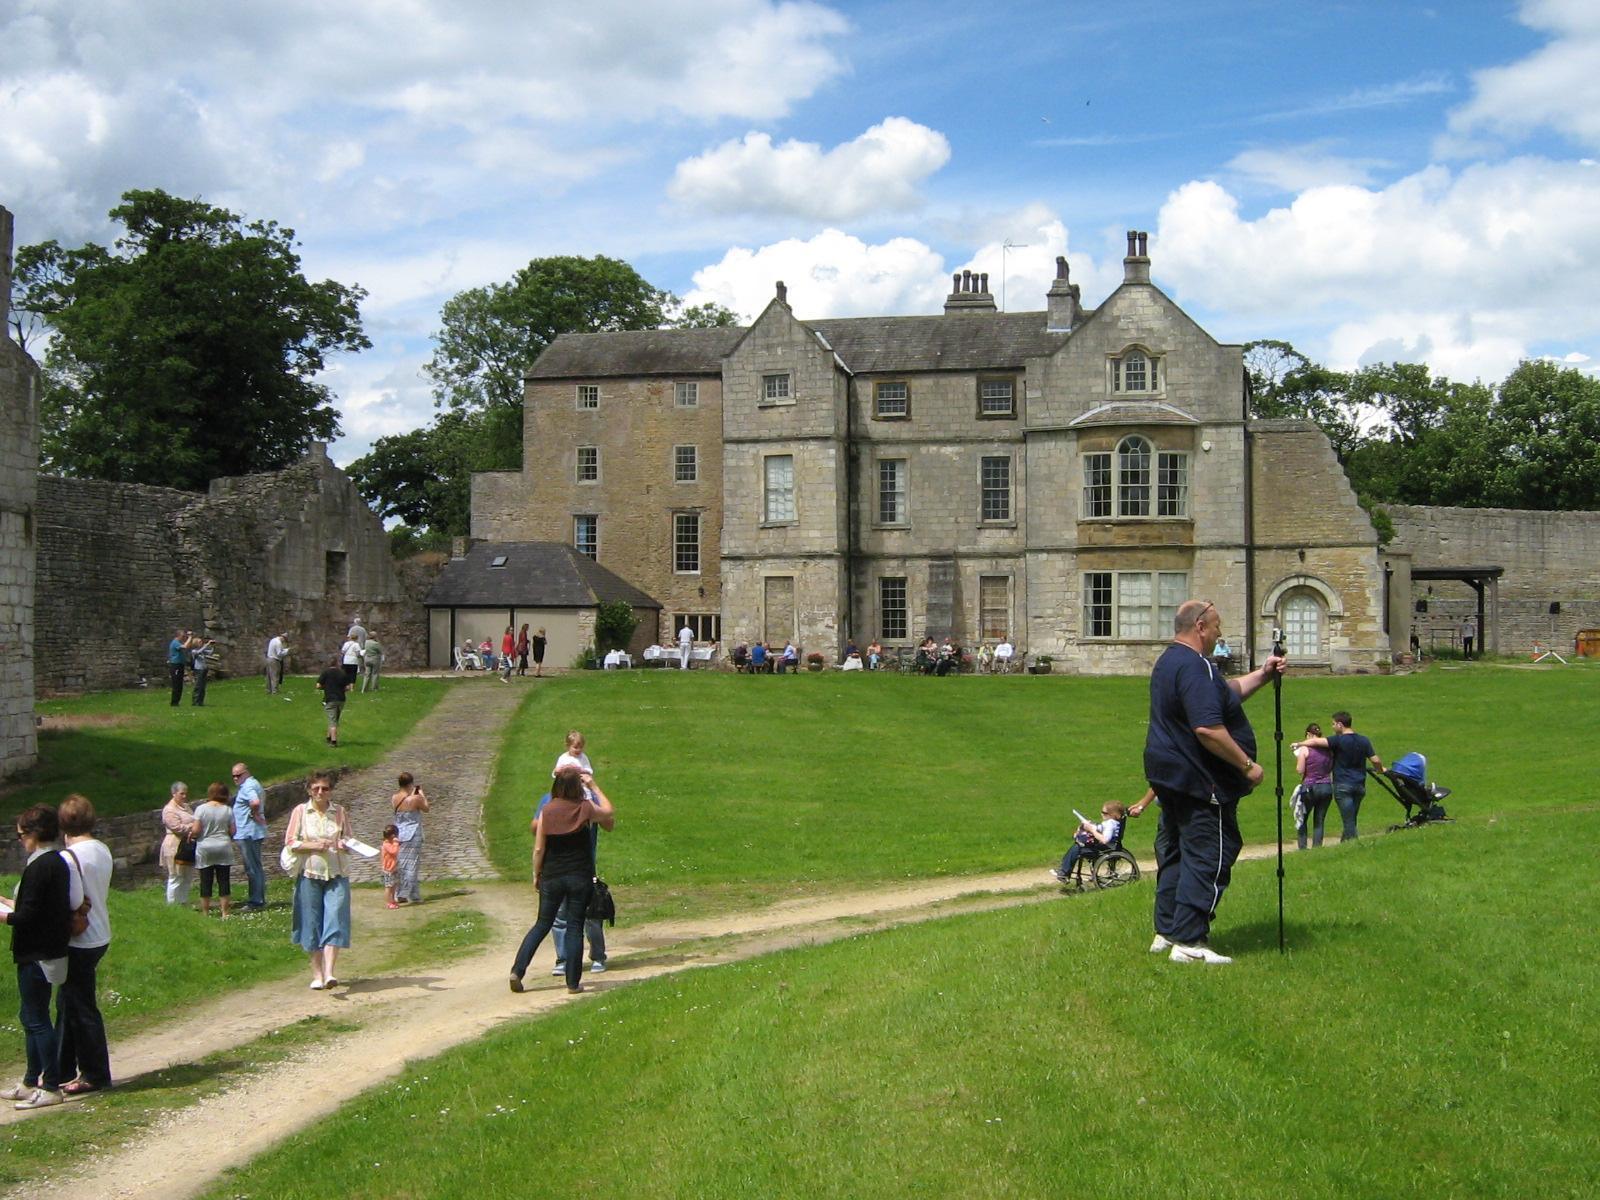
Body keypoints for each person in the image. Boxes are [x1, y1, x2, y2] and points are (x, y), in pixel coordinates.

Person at [1144, 599, 1285, 964]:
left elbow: (1227, 694)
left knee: (1174, 852)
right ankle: (1189, 943)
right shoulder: (1196, 667)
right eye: (1218, 626)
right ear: (1201, 627)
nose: (1221, 633)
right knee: (1209, 853)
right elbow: (1207, 727)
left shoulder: (1170, 663)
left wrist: (1264, 674)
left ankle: (1167, 930)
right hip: (1199, 779)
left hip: (1169, 778)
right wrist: (1246, 765)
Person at [509, 766, 616, 995]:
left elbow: (539, 848)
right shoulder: (584, 807)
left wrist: (536, 874)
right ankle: (573, 982)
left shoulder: (547, 810)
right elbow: (608, 812)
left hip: (552, 875)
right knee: (575, 927)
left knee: (542, 924)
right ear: (577, 786)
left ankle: (518, 970)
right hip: (579, 875)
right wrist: (593, 785)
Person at [0, 804, 78, 1109]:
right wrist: (10, 902)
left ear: (34, 833)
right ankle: (31, 1080)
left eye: (21, 834)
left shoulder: (40, 865)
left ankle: (50, 1085)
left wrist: (5, 916)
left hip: (38, 952)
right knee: (29, 1016)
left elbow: (29, 915)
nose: (20, 840)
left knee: (37, 1019)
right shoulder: (55, 862)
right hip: (47, 949)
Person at [56, 794, 113, 1096]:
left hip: (80, 937)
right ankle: (61, 1067)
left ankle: (95, 1073)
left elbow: (71, 900)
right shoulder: (101, 849)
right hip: (99, 933)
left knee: (81, 1006)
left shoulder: (69, 857)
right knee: (67, 1002)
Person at [283, 773, 354, 990]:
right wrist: (314, 846)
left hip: (336, 874)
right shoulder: (301, 812)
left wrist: (344, 844)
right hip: (310, 874)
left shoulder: (340, 812)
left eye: (325, 788)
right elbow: (290, 842)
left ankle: (330, 973)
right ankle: (317, 974)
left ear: (331, 791)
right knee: (311, 922)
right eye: (316, 789)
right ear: (309, 790)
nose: (320, 792)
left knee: (335, 918)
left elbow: (350, 840)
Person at [1296, 712, 1382, 842]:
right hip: (1359, 785)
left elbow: (1315, 741)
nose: (1332, 727)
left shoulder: (1338, 740)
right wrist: (1379, 770)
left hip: (1343, 786)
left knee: (1349, 821)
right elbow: (1375, 760)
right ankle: (1344, 844)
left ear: (1340, 725)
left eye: (1333, 724)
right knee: (1351, 818)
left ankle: (1354, 845)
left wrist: (1299, 744)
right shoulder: (1364, 740)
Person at [1053, 800, 1128, 886]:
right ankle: (1064, 871)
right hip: (1106, 846)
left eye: (1104, 812)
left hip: (1104, 848)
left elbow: (1105, 840)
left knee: (1077, 848)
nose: (1101, 814)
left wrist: (1092, 830)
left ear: (1113, 815)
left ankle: (1064, 872)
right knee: (1078, 845)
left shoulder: (1111, 824)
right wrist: (1090, 825)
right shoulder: (1110, 823)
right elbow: (1099, 828)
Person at [191, 782, 236, 919]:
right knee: (224, 880)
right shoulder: (228, 810)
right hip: (223, 847)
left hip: (205, 847)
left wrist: (193, 835)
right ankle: (225, 912)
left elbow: (196, 830)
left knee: (205, 880)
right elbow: (233, 831)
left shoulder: (201, 809)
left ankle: (205, 912)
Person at [231, 762, 268, 910]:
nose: (235, 779)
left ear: (246, 773)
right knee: (255, 866)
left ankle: (256, 901)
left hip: (248, 832)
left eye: (238, 775)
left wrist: (254, 813)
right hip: (252, 831)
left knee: (252, 868)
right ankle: (258, 898)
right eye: (233, 776)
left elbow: (255, 802)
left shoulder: (248, 786)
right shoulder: (252, 783)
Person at [1293, 723, 1334, 850]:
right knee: (1319, 820)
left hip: (1310, 786)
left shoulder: (1304, 750)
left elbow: (1300, 770)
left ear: (1308, 735)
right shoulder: (1328, 750)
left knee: (1302, 819)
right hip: (1326, 786)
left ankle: (1303, 848)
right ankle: (1317, 848)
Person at [391, 773, 429, 905]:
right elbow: (426, 808)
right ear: (410, 783)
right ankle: (411, 894)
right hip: (413, 833)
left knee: (402, 865)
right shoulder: (415, 799)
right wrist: (421, 794)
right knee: (412, 865)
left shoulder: (395, 798)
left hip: (399, 833)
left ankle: (402, 893)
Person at [160, 782, 197, 904]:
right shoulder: (169, 809)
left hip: (188, 844)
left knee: (187, 876)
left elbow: (196, 820)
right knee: (175, 875)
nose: (184, 796)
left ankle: (183, 902)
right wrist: (193, 827)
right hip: (175, 845)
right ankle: (171, 904)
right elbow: (176, 827)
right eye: (182, 793)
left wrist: (194, 827)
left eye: (186, 793)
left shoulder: (186, 807)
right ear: (174, 793)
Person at [317, 654, 348, 746]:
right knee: (335, 719)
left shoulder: (326, 673)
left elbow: (318, 685)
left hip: (330, 699)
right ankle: (328, 737)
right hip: (341, 699)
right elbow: (347, 687)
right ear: (337, 663)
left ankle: (333, 741)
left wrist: (325, 687)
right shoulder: (342, 673)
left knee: (332, 720)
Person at [189, 634, 216, 706]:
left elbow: (210, 653)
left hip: (204, 669)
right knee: (198, 686)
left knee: (203, 686)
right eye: (200, 642)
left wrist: (213, 646)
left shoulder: (202, 650)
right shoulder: (194, 651)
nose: (201, 642)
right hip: (198, 670)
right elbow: (198, 652)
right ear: (196, 643)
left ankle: (200, 701)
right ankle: (195, 702)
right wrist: (207, 644)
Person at [380, 825, 401, 909]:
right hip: (388, 869)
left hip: (394, 868)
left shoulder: (391, 843)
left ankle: (393, 900)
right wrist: (396, 843)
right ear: (393, 836)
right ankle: (389, 902)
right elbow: (394, 851)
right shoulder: (386, 844)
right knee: (388, 887)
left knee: (393, 885)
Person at [167, 628, 189, 706]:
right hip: (175, 665)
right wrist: (190, 638)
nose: (183, 637)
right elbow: (185, 647)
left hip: (180, 665)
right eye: (182, 636)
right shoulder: (175, 643)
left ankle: (177, 702)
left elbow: (186, 645)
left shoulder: (179, 642)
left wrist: (189, 638)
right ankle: (174, 702)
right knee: (176, 684)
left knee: (180, 685)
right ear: (178, 636)